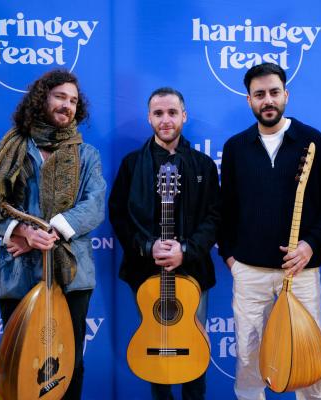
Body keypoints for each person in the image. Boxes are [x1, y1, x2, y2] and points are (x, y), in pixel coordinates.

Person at [218, 62, 321, 400]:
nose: (268, 100)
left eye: (274, 92)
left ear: (286, 95)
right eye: (259, 94)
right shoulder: (235, 147)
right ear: (249, 100)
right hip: (250, 272)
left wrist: (310, 244)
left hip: (301, 270)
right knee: (248, 357)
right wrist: (231, 257)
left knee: (308, 359)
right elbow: (225, 207)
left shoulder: (313, 141)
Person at [0, 69, 106, 399]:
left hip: (71, 277)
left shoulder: (87, 155)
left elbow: (94, 206)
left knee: (70, 365)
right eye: (60, 96)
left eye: (74, 100)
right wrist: (20, 231)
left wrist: (51, 231)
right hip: (17, 277)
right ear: (42, 99)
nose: (67, 105)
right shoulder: (7, 150)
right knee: (20, 365)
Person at [108, 87, 220, 400]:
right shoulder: (132, 165)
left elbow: (214, 217)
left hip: (193, 271)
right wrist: (146, 246)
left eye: (172, 112)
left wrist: (186, 250)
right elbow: (118, 216)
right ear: (149, 118)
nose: (166, 120)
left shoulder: (203, 166)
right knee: (156, 347)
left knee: (193, 350)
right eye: (158, 113)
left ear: (184, 116)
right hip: (145, 270)